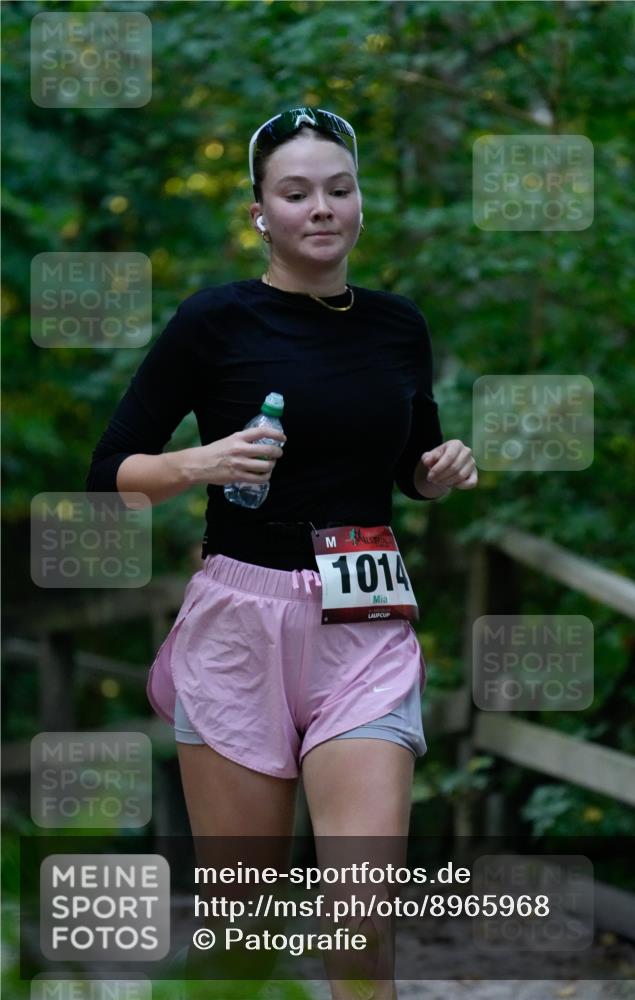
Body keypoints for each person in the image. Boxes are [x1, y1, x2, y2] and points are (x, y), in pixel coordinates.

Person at [86, 106, 477, 1000]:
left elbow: (411, 465)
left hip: (363, 624)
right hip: (239, 623)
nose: (321, 208)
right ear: (259, 211)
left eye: (339, 189)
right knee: (241, 936)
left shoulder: (397, 326)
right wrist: (200, 463)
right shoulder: (213, 321)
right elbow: (111, 472)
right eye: (296, 193)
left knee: (360, 927)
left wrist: (437, 471)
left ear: (360, 202)